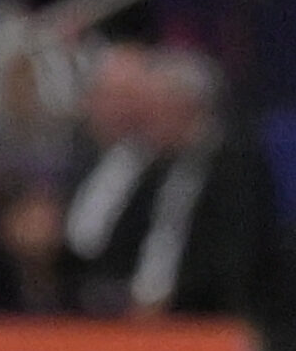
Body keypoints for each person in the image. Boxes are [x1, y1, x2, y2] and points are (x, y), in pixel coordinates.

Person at [58, 40, 276, 320]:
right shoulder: (151, 167)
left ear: (187, 108)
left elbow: (235, 256)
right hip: (131, 312)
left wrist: (168, 299)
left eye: (156, 109)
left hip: (210, 315)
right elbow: (118, 240)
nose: (145, 120)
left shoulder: (236, 167)